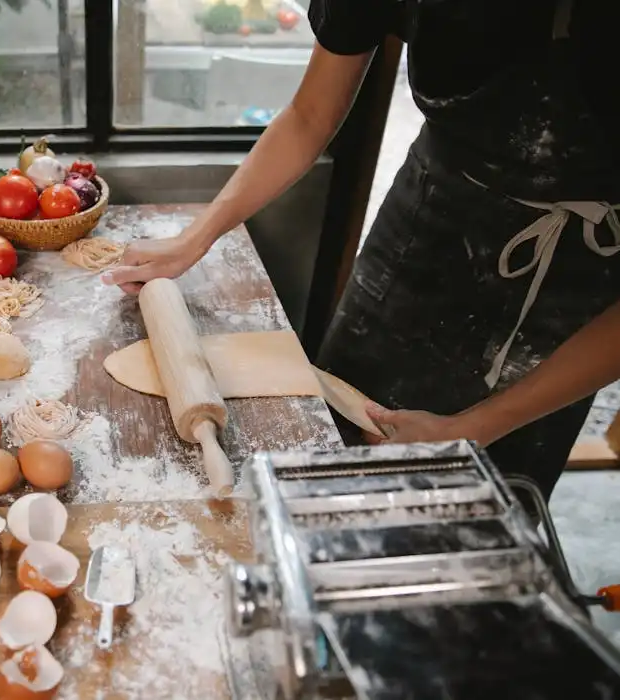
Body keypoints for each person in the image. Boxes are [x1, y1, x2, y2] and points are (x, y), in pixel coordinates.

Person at [102, 0, 620, 502]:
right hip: (429, 220)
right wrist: (197, 237)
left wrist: (474, 428)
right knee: (335, 447)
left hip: (578, 286)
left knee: (480, 504)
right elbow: (310, 113)